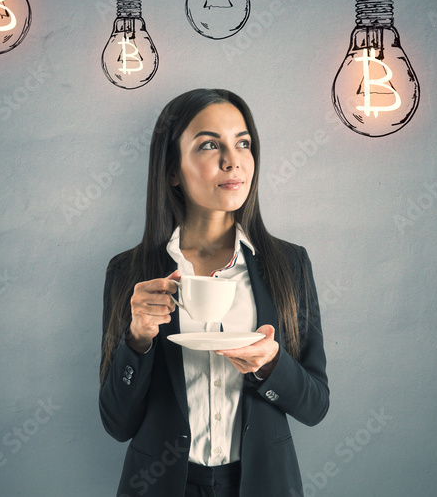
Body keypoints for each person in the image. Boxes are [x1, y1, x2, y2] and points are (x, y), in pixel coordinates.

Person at [99, 88, 329, 496]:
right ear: (172, 170)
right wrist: (136, 340)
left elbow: (315, 406)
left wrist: (271, 363)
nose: (233, 159)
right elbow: (117, 424)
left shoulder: (290, 266)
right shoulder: (129, 273)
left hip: (261, 484)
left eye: (243, 143)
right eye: (209, 145)